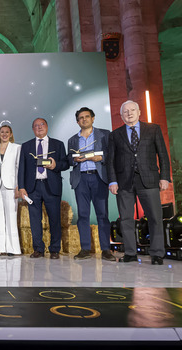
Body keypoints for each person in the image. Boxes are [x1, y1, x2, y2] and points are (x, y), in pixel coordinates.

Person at [107, 100, 171, 265]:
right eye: (125, 111)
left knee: (155, 217)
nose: (129, 113)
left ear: (139, 112)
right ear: (122, 115)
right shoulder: (115, 135)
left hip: (149, 179)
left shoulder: (153, 129)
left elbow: (163, 155)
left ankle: (157, 254)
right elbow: (110, 160)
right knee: (126, 219)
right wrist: (112, 181)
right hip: (124, 182)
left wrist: (164, 177)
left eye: (132, 110)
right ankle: (130, 253)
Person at [67, 107, 115, 262]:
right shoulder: (72, 140)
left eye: (87, 116)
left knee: (102, 214)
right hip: (80, 179)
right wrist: (74, 159)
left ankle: (106, 249)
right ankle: (85, 249)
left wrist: (100, 158)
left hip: (98, 177)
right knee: (83, 215)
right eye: (81, 118)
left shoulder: (104, 134)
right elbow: (68, 159)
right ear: (77, 122)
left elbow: (111, 154)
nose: (84, 119)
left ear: (93, 118)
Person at [18, 117, 69, 259]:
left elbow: (65, 164)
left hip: (51, 186)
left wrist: (55, 165)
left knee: (54, 219)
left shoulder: (58, 144)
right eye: (36, 125)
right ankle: (38, 249)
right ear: (32, 129)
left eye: (42, 124)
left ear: (47, 126)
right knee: (35, 220)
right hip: (32, 187)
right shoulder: (26, 146)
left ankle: (55, 249)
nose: (39, 127)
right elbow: (21, 168)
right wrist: (21, 187)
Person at [0, 125, 21, 256]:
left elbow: (19, 168)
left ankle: (12, 248)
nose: (4, 134)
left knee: (11, 217)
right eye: (2, 132)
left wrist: (18, 186)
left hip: (11, 186)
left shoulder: (17, 148)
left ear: (11, 134)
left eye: (7, 132)